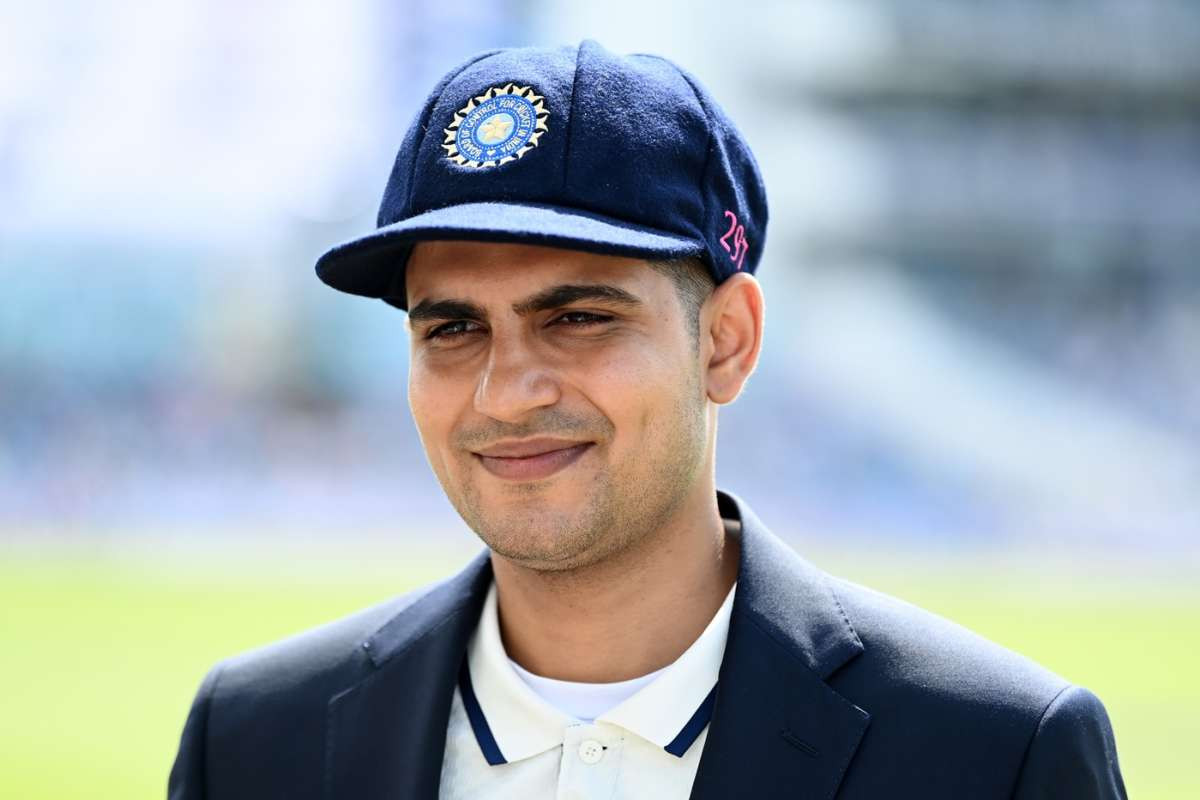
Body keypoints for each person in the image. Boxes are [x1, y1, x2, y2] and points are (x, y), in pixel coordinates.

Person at [168, 40, 1126, 799]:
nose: (506, 393)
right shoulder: (254, 740)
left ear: (726, 342)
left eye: (578, 318)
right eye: (453, 328)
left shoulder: (996, 756)